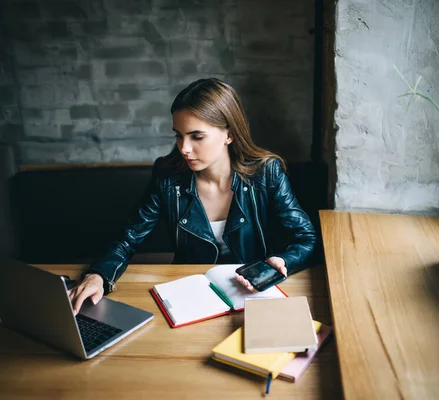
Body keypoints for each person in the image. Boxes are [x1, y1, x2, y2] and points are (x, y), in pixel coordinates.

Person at [69, 78, 317, 314]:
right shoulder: (168, 177)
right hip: (189, 295)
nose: (184, 148)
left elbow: (306, 238)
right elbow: (129, 237)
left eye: (197, 136)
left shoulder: (266, 173)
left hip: (255, 295)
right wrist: (98, 274)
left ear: (228, 134)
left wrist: (283, 261)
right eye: (179, 135)